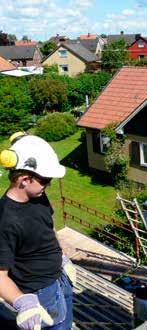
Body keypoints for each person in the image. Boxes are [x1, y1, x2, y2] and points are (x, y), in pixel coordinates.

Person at [0, 132, 76, 330]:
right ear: (24, 179)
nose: (48, 184)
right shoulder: (6, 221)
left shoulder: (38, 196)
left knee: (65, 324)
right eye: (45, 179)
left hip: (60, 279)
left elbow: (48, 228)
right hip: (39, 294)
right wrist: (22, 302)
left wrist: (62, 256)